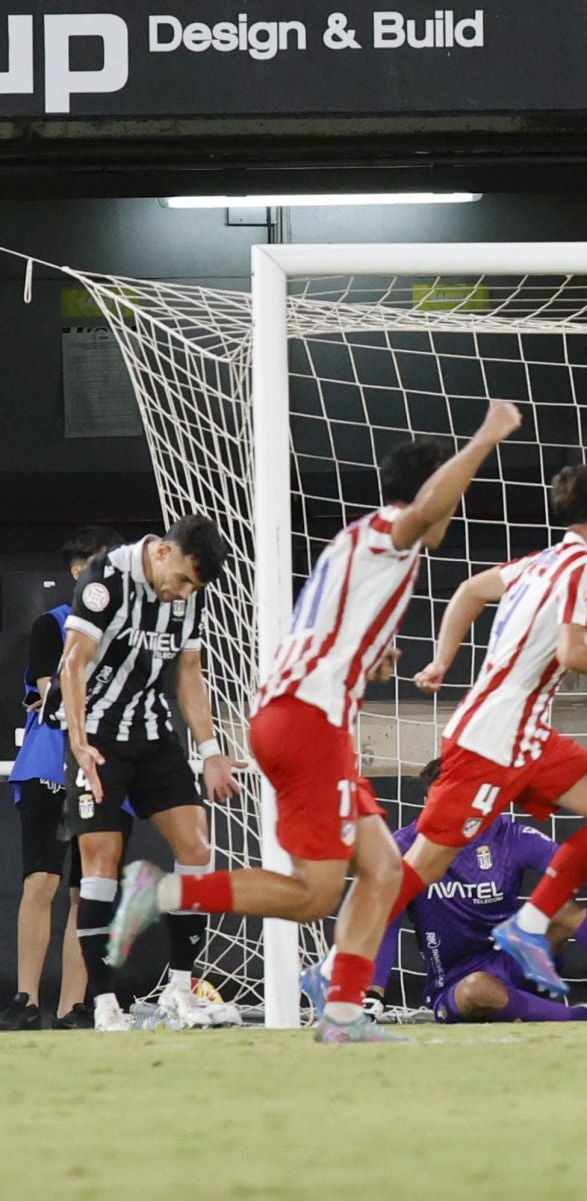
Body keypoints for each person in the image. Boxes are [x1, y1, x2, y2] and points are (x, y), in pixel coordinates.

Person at [106, 402, 523, 1042]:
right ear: (431, 493)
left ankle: (345, 1014)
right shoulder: (392, 532)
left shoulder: (361, 542)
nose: (453, 511)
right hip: (307, 723)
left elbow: (326, 625)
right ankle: (160, 893)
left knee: (385, 870)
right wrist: (485, 438)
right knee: (313, 896)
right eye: (450, 496)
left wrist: (369, 655)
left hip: (297, 713)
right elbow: (425, 507)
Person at [379, 463, 587, 1000]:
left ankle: (528, 925)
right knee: (420, 870)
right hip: (490, 739)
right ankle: (338, 970)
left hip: (527, 735)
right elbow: (572, 652)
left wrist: (442, 660)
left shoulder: (547, 559)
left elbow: (467, 590)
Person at [357, 757, 587, 1025]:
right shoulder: (404, 848)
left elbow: (563, 864)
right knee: (476, 991)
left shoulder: (506, 834)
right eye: (439, 799)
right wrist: (372, 995)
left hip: (514, 958)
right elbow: (386, 922)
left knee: (565, 911)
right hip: (455, 984)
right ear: (428, 801)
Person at [60, 516, 237, 1032]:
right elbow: (74, 663)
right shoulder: (104, 580)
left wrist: (209, 750)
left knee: (197, 848)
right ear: (161, 552)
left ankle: (181, 992)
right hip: (95, 736)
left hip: (153, 733)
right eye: (182, 580)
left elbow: (188, 672)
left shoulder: (188, 594)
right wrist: (78, 742)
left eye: (193, 587)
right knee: (101, 865)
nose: (183, 592)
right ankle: (106, 1006)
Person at [0, 525, 122, 1031]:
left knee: (86, 890)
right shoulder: (53, 625)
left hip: (104, 766)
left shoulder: (127, 632)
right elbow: (54, 695)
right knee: (41, 881)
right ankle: (25, 999)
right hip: (51, 765)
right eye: (83, 568)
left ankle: (75, 1006)